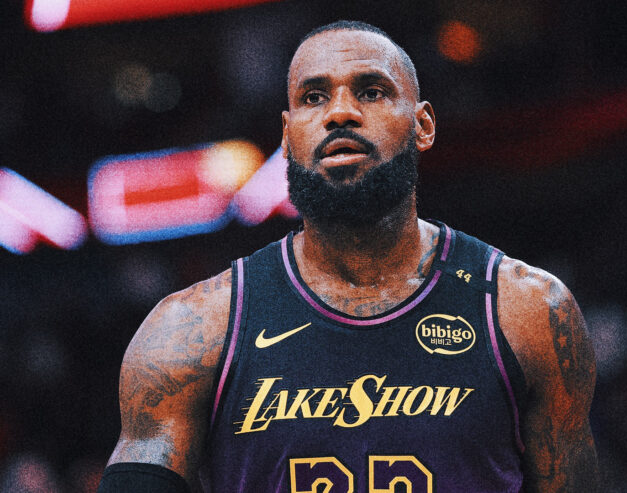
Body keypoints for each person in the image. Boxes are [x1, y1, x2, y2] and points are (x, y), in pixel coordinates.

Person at [98, 20, 598, 493]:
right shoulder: (189, 332)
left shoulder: (529, 311)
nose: (339, 113)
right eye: (314, 97)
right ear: (288, 136)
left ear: (423, 125)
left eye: (371, 92)